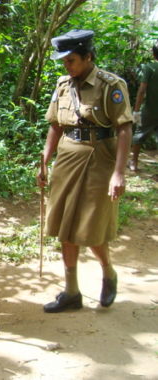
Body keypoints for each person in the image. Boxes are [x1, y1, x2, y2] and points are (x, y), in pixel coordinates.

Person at [38, 30, 132, 313]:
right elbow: (55, 124)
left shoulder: (110, 85)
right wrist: (44, 160)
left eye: (72, 61)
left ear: (88, 57)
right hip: (68, 155)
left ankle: (108, 271)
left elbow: (124, 127)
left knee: (91, 227)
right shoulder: (63, 84)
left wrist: (118, 173)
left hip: (100, 156)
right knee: (65, 225)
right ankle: (71, 292)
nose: (67, 66)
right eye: (64, 61)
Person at [129, 39, 158, 172]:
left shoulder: (149, 68)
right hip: (151, 109)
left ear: (153, 54)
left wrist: (136, 110)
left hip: (149, 109)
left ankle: (134, 161)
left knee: (139, 134)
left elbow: (142, 90)